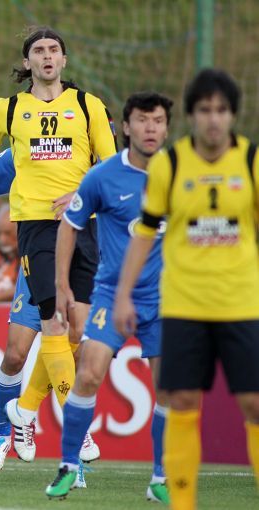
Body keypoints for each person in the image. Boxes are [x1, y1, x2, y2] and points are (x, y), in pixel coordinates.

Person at [0, 26, 115, 464]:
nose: (47, 56)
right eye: (39, 50)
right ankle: (14, 433)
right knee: (19, 349)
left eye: (54, 49)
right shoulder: (12, 113)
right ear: (27, 61)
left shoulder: (88, 108)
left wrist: (82, 196)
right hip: (36, 233)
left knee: (77, 334)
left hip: (83, 230)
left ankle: (25, 411)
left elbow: (112, 171)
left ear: (64, 60)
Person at [114, 69, 259, 510]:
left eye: (221, 110)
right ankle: (182, 503)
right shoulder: (170, 164)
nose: (213, 119)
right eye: (204, 110)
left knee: (254, 403)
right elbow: (145, 232)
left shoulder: (252, 161)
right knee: (180, 399)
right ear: (192, 115)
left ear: (233, 115)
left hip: (240, 302)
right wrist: (123, 294)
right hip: (183, 304)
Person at [44, 92, 173, 502]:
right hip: (111, 295)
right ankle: (69, 466)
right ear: (126, 127)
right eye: (143, 120)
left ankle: (160, 478)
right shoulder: (102, 176)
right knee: (88, 373)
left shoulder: (181, 175)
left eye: (158, 121)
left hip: (166, 299)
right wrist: (62, 286)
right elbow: (69, 225)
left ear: (166, 128)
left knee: (170, 389)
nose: (150, 128)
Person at [0, 150, 94, 481]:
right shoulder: (29, 145)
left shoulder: (99, 159)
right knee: (15, 354)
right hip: (37, 260)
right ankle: (3, 434)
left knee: (73, 349)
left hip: (79, 260)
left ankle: (62, 440)